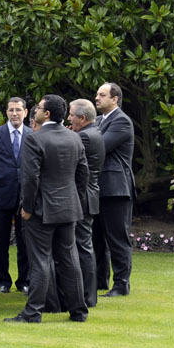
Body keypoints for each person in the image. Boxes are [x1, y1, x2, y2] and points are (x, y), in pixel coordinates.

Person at [6, 94, 89, 324]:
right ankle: (78, 311)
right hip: (68, 208)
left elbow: (30, 178)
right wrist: (74, 200)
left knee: (40, 260)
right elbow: (83, 174)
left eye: (39, 108)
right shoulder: (74, 138)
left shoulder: (34, 139)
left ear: (48, 114)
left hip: (41, 210)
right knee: (70, 259)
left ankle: (33, 312)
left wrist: (27, 207)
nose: (36, 111)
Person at [93, 82, 136, 297]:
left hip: (116, 188)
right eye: (97, 94)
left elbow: (100, 146)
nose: (97, 98)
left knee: (117, 238)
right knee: (96, 238)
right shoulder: (98, 121)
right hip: (97, 188)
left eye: (102, 95)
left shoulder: (121, 121)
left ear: (115, 99)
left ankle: (121, 284)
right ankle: (99, 280)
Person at [0, 97, 32, 294]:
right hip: (1, 194)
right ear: (6, 112)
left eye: (18, 110)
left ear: (26, 112)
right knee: (0, 242)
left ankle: (24, 280)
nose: (14, 114)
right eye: (11, 110)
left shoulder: (32, 135)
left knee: (25, 242)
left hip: (25, 196)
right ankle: (3, 281)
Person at [68, 98, 104, 308]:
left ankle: (88, 296)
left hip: (82, 197)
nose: (68, 118)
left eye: (72, 115)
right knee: (84, 245)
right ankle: (87, 294)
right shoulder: (95, 132)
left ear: (82, 118)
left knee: (82, 246)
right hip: (89, 195)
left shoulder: (84, 136)